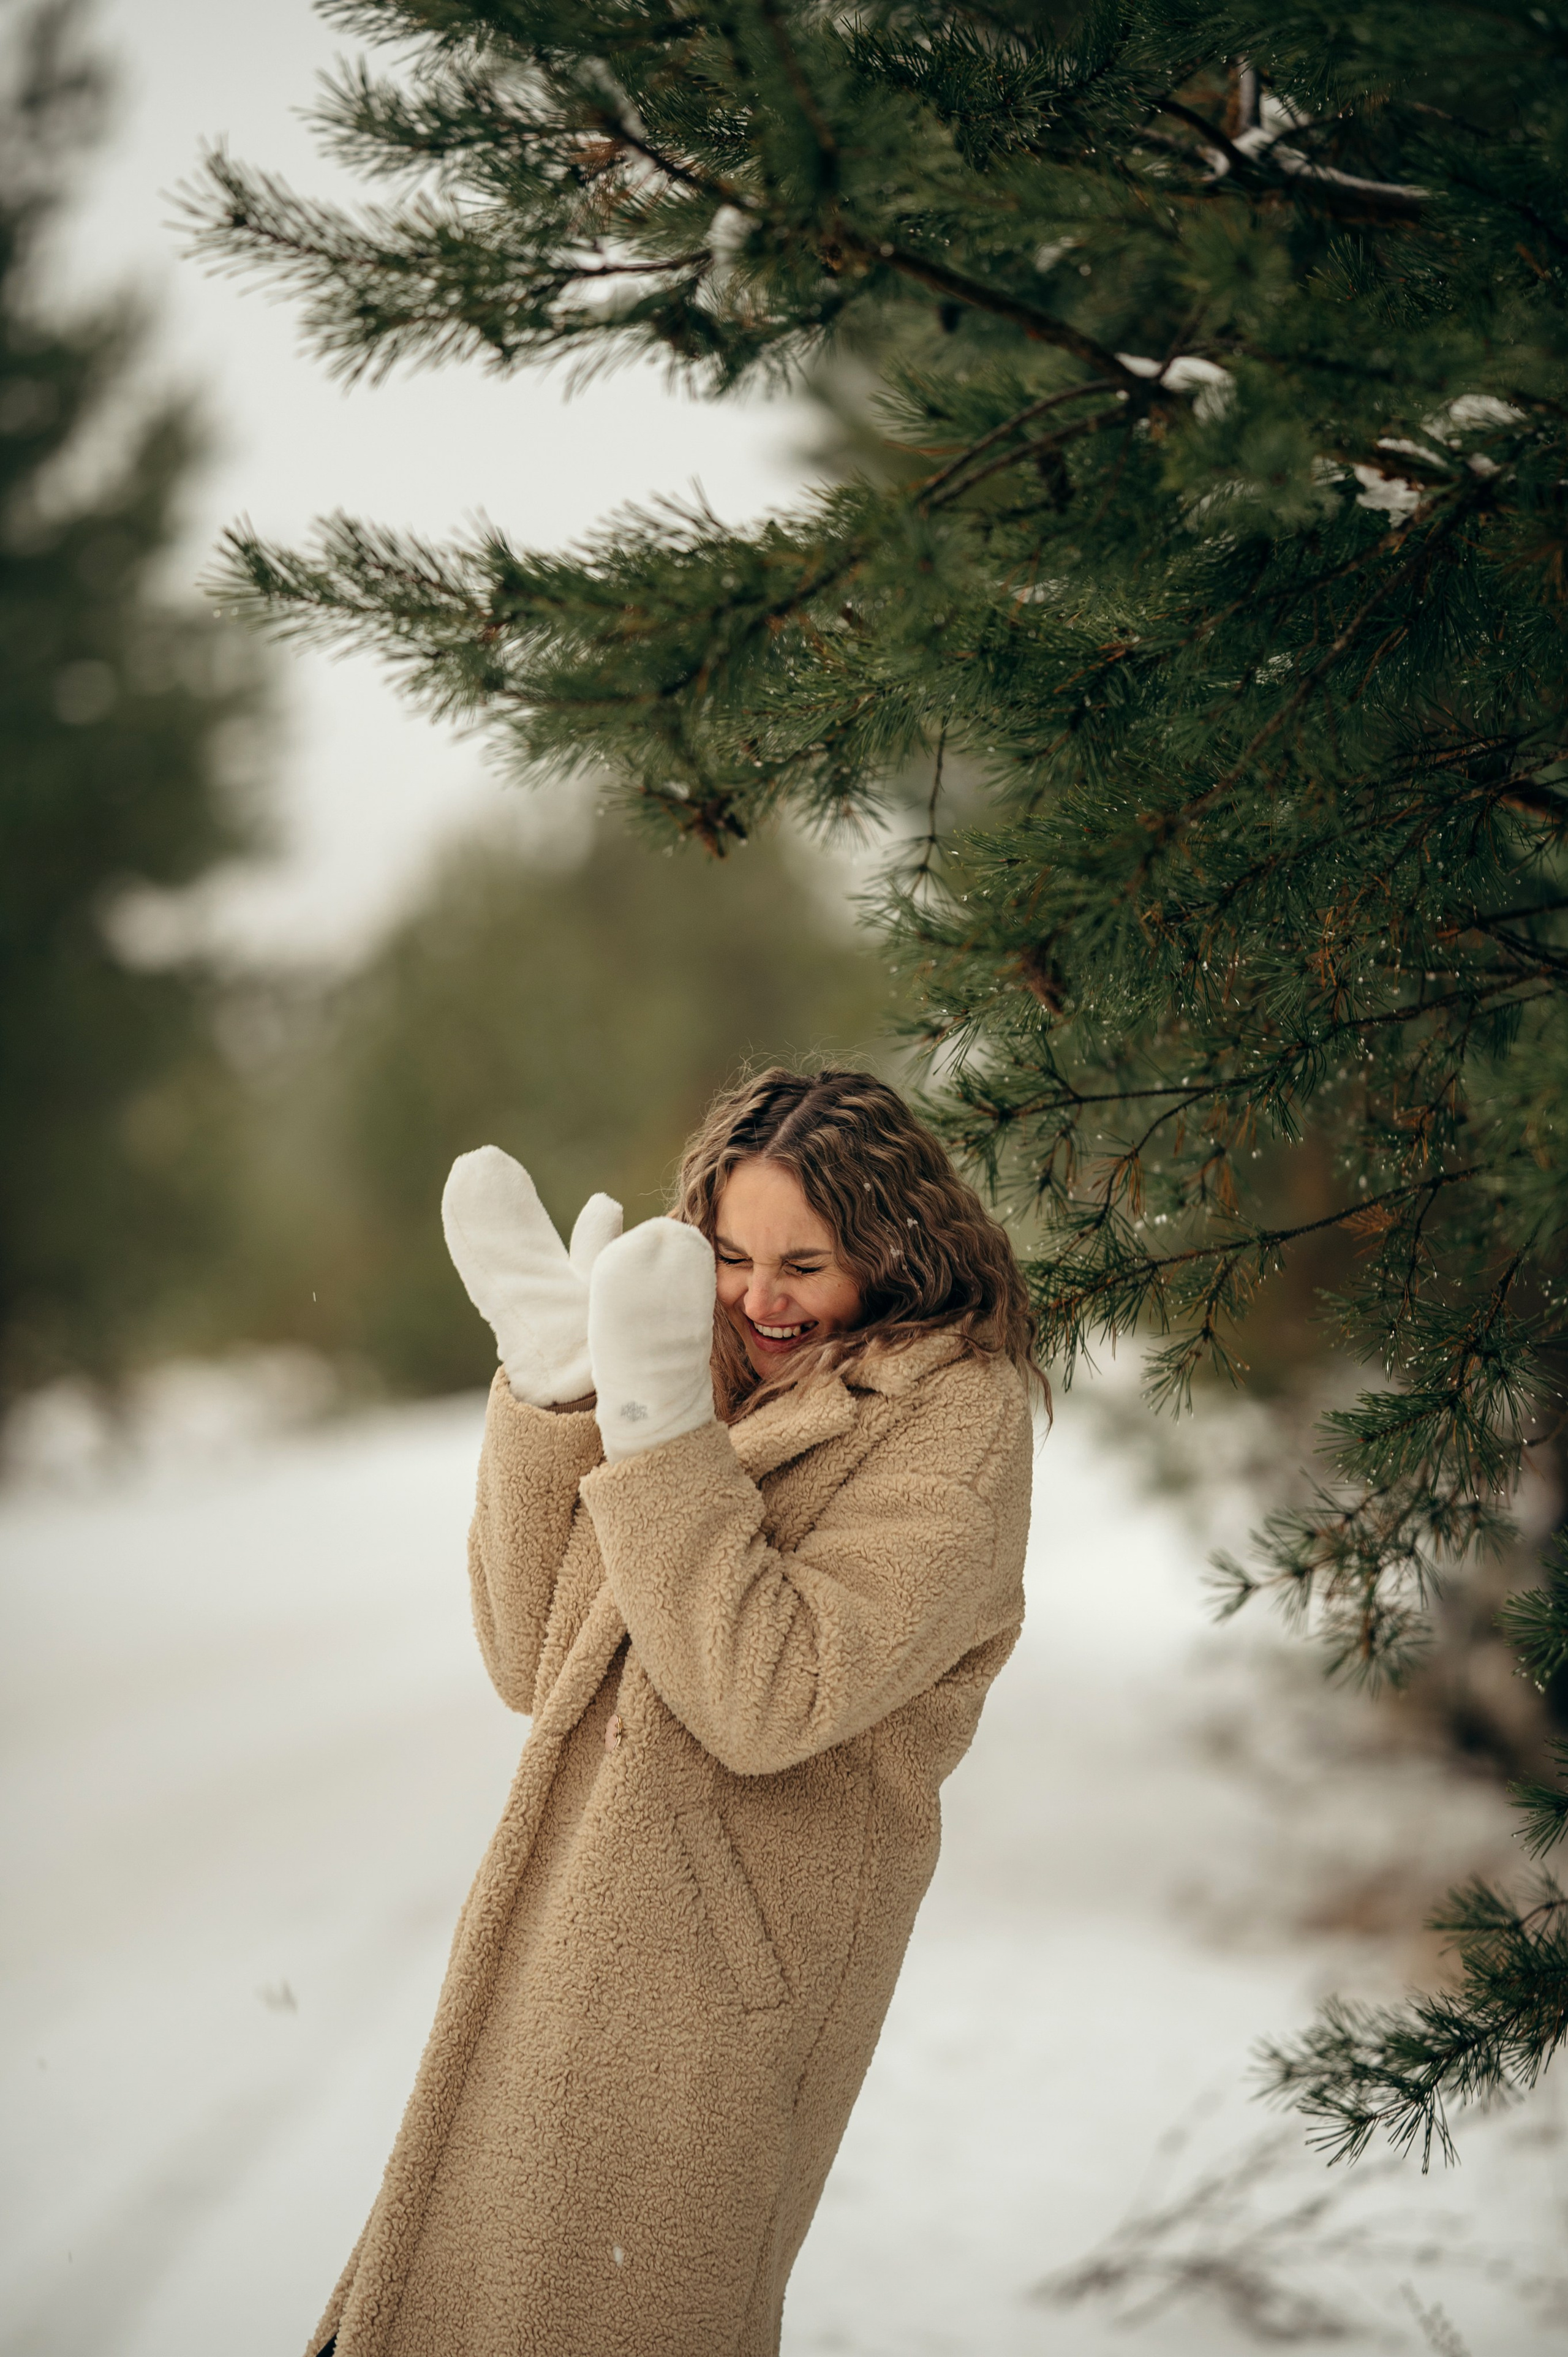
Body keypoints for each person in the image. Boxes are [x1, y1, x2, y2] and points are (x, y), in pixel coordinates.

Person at [309, 1066, 1042, 2357]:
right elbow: (536, 1661)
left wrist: (653, 1430)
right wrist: (565, 1402)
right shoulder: (708, 1375)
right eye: (730, 1254)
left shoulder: (952, 1425)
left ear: (891, 1249)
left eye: (803, 1264)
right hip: (575, 1922)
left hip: (729, 1979)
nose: (760, 1299)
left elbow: (768, 1696)